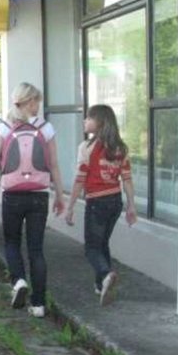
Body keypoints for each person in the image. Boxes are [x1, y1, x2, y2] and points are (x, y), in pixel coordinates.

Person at [0, 82, 66, 318]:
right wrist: (60, 195)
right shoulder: (45, 127)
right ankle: (39, 304)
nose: (38, 105)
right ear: (29, 101)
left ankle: (19, 280)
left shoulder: (5, 126)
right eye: (37, 101)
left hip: (12, 193)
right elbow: (54, 164)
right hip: (38, 194)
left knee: (12, 242)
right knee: (36, 249)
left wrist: (7, 167)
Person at [64, 104, 138, 306]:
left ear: (100, 123)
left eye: (89, 118)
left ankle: (105, 274)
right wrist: (131, 206)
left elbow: (80, 179)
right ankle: (100, 285)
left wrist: (70, 206)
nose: (85, 121)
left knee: (91, 248)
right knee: (102, 243)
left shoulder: (87, 148)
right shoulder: (120, 148)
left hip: (97, 202)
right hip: (115, 201)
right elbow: (127, 179)